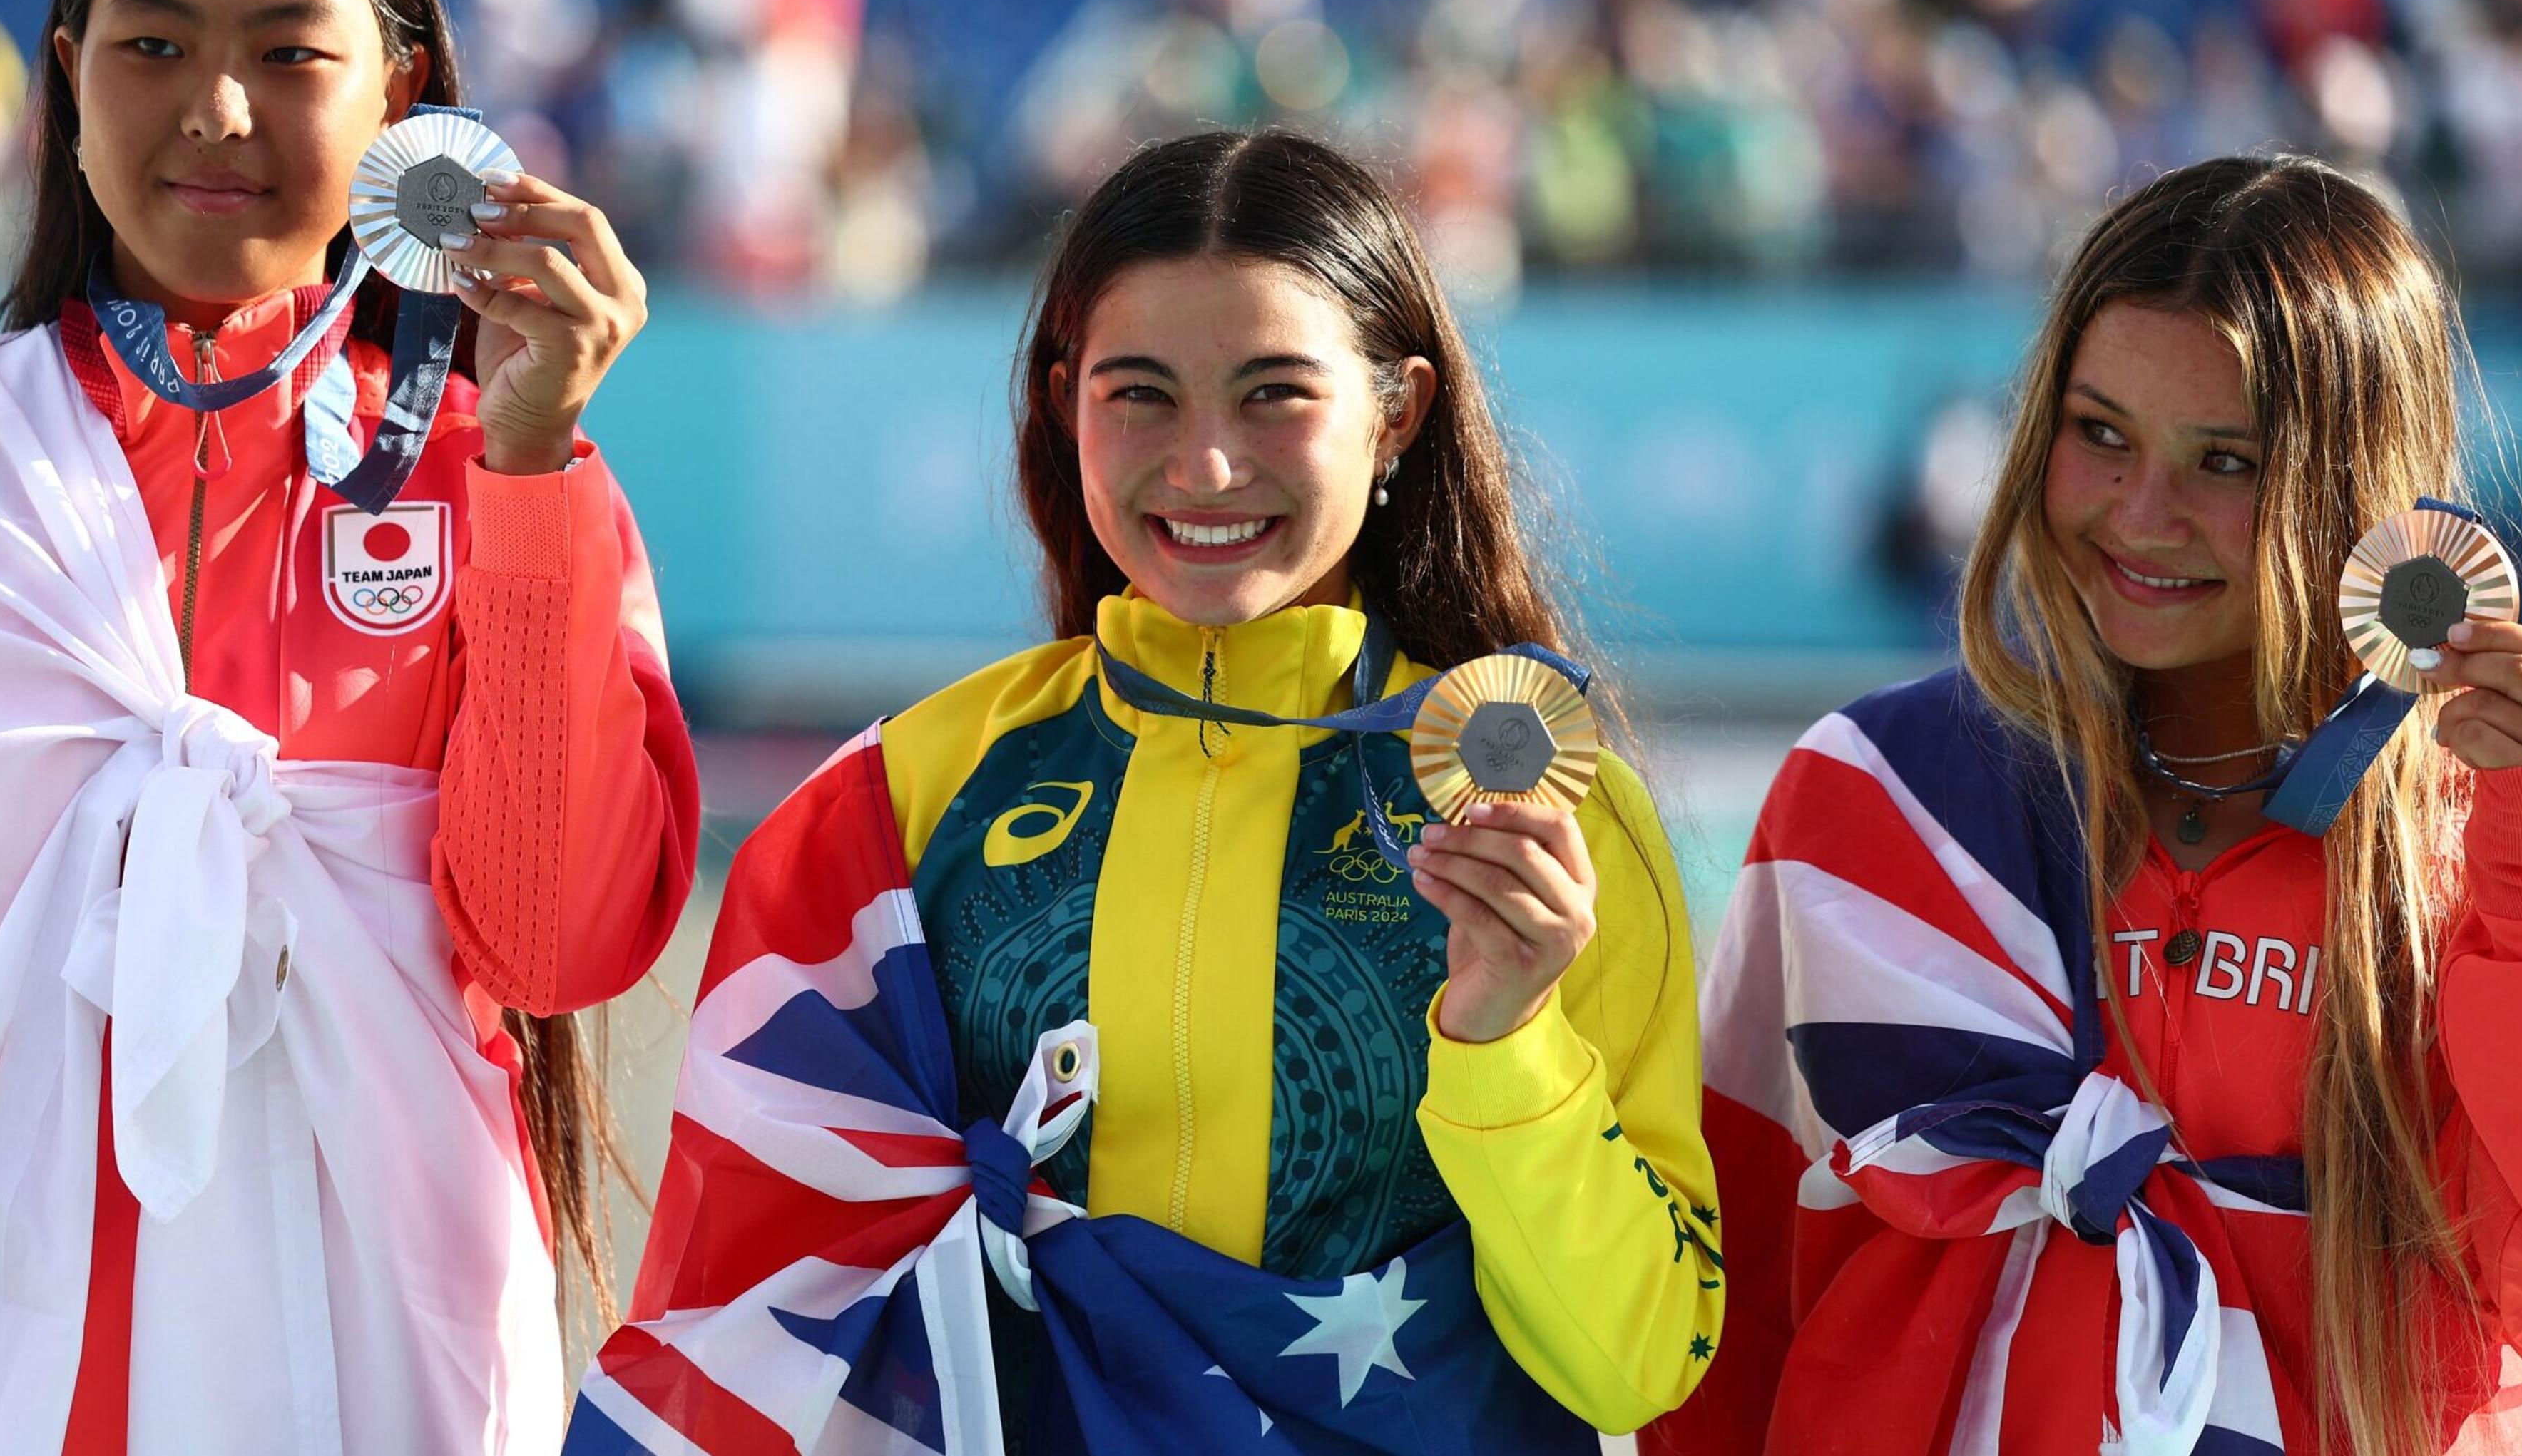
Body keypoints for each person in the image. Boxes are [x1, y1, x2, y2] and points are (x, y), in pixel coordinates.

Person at [581, 129, 1722, 1452]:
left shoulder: (1548, 816)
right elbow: (759, 1297)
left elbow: (1637, 1363)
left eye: (1273, 393)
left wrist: (1506, 1039)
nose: (1206, 466)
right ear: (1066, 398)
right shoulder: (898, 801)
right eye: (1142, 395)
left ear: (1397, 408)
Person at [0, 0, 699, 1455]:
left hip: (376, 1373)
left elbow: (557, 942)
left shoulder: (503, 476)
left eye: (291, 55)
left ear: (406, 99)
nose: (217, 112)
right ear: (66, 77)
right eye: (152, 44)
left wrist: (528, 463)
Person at [1647, 154, 2522, 1456]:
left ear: (2357, 487)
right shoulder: (1877, 799)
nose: (2143, 514)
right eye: (2099, 433)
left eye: (2225, 462)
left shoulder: (2464, 844)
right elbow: (1728, 1299)